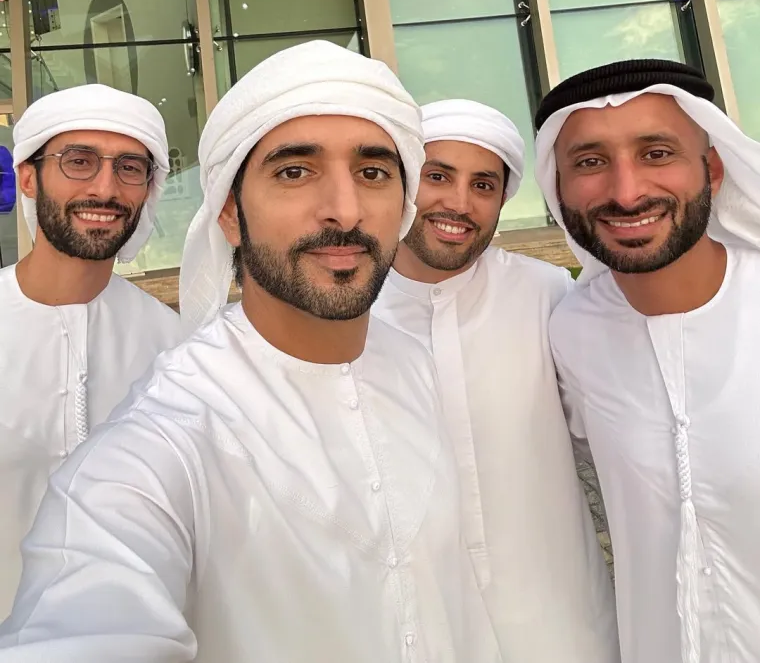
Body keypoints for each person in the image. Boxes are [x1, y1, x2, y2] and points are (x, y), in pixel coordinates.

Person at [0, 42, 501, 663]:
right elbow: (91, 616)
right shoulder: (168, 436)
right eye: (294, 172)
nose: (344, 211)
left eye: (373, 173)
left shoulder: (411, 362)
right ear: (230, 214)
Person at [373, 98, 619, 663]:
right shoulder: (348, 314)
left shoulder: (548, 294)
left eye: (483, 185)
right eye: (438, 176)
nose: (459, 203)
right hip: (417, 633)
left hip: (562, 626)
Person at [534, 58, 760, 663]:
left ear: (713, 169)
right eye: (589, 162)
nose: (626, 191)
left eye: (657, 153)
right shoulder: (569, 333)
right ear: (558, 188)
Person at [0, 84, 180, 619]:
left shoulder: (176, 347)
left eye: (130, 168)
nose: (106, 188)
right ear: (28, 177)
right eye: (78, 161)